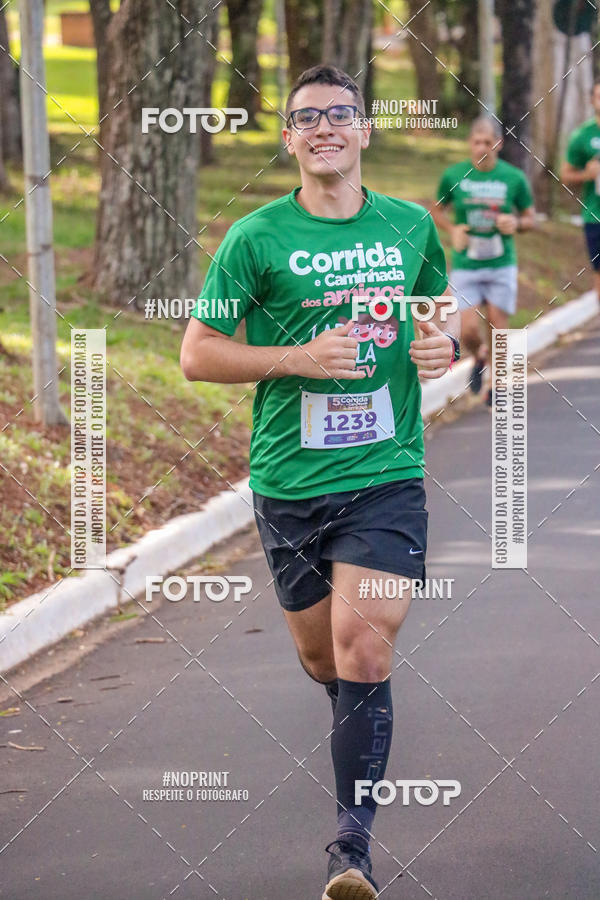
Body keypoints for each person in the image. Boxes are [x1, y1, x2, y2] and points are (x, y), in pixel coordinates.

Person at [180, 64, 460, 900]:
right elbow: (196, 354)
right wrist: (296, 358)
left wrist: (442, 346)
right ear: (290, 139)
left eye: (341, 114)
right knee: (321, 654)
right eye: (308, 118)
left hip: (386, 475)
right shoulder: (256, 238)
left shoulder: (410, 225)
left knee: (364, 642)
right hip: (289, 481)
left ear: (366, 130)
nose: (325, 128)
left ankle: (351, 848)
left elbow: (436, 314)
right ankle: (355, 710)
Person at [432, 116, 535, 405]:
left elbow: (530, 218)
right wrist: (453, 230)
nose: (481, 148)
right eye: (476, 142)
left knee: (497, 323)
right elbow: (437, 210)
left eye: (487, 142)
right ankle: (480, 355)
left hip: (502, 262)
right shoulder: (454, 175)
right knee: (466, 328)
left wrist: (516, 222)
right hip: (467, 263)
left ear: (498, 144)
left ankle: (497, 387)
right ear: (470, 144)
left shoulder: (513, 178)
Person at [561, 80, 600, 299]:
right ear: (592, 101)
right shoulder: (582, 136)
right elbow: (565, 176)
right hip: (595, 217)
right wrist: (587, 174)